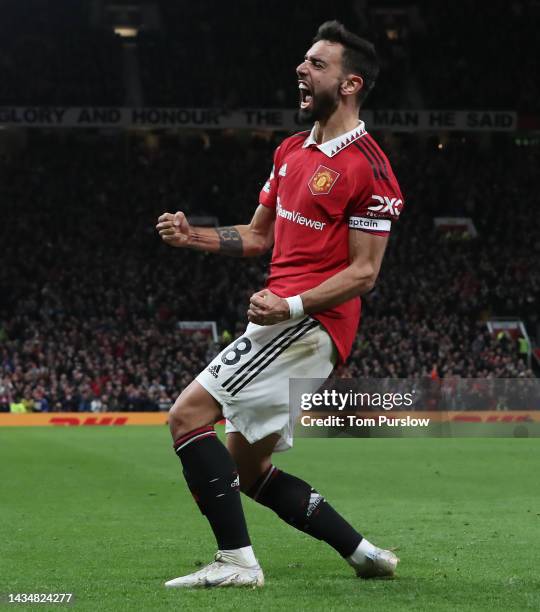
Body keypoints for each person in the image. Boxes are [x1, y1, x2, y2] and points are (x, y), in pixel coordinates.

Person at [156, 20, 404, 588]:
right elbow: (260, 236)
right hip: (287, 319)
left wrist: (292, 306)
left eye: (317, 64)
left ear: (349, 84)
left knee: (187, 416)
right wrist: (192, 236)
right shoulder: (292, 150)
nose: (302, 69)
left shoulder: (370, 167)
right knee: (248, 468)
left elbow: (364, 272)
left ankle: (237, 563)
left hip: (310, 323)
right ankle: (363, 553)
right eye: (304, 61)